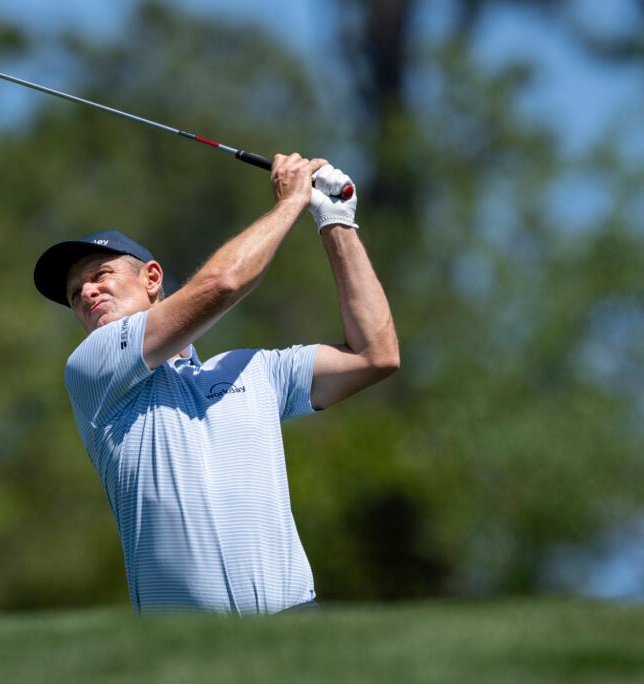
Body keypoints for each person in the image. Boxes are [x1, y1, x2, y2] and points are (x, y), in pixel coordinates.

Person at [32, 154, 399, 614]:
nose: (85, 294)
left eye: (99, 275)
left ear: (151, 278)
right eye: (73, 294)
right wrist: (291, 205)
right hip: (184, 652)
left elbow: (375, 355)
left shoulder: (253, 369)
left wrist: (335, 220)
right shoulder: (92, 368)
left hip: (298, 627)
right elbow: (223, 283)